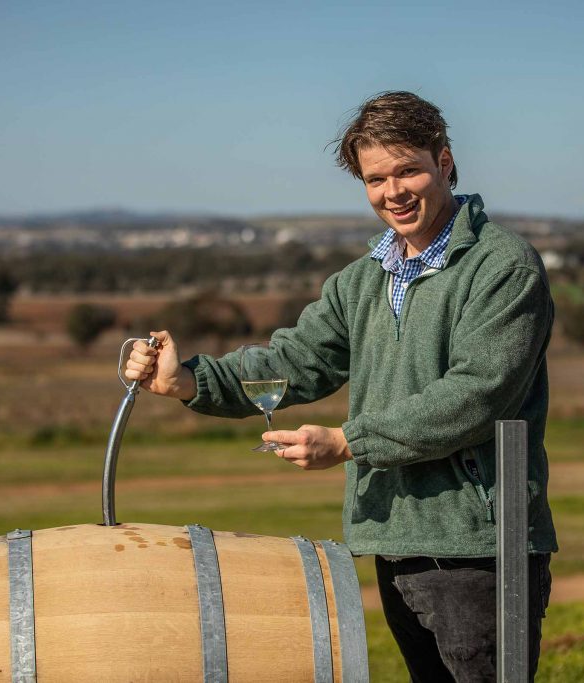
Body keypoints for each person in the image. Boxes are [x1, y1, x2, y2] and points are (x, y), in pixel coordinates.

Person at [124, 91, 556, 682]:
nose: (394, 192)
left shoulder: (503, 265)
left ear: (446, 162)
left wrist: (351, 442)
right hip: (394, 532)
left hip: (478, 544)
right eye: (376, 179)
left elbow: (477, 394)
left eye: (409, 170)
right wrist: (190, 379)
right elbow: (294, 361)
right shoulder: (361, 281)